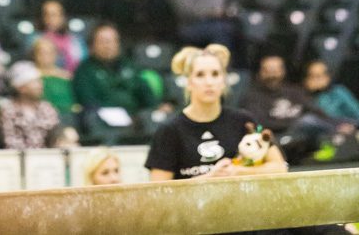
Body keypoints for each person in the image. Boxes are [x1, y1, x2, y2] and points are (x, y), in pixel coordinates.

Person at [145, 44, 343, 235]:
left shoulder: (243, 120)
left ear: (224, 80)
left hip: (252, 214)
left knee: (327, 227)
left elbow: (279, 167)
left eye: (215, 74)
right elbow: (160, 194)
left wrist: (236, 171)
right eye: (200, 75)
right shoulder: (170, 131)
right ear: (188, 81)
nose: (209, 81)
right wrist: (210, 179)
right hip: (203, 222)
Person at [240, 54, 343, 165]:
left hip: (306, 134)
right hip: (276, 137)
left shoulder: (294, 91)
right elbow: (260, 124)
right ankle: (336, 134)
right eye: (268, 70)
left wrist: (337, 123)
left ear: (283, 71)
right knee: (307, 121)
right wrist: (293, 123)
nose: (272, 74)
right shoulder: (253, 96)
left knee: (338, 121)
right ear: (260, 72)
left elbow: (316, 111)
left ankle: (340, 132)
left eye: (276, 70)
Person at [73, 23, 159, 120]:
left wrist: (155, 109)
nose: (108, 46)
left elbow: (146, 94)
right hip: (104, 122)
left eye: (112, 41)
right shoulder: (84, 71)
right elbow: (88, 102)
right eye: (103, 42)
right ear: (92, 46)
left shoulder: (130, 65)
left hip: (136, 119)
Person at [0, 61, 60, 150]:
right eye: (34, 82)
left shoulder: (47, 108)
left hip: (49, 158)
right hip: (20, 160)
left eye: (40, 81)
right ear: (21, 88)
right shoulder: (8, 111)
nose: (40, 85)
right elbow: (11, 144)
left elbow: (57, 137)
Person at [33, 0, 86, 74]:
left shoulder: (76, 40)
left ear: (63, 16)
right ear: (41, 17)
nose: (50, 18)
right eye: (46, 14)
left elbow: (84, 63)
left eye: (55, 14)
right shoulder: (35, 39)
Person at [31, 37, 76, 115]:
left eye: (50, 52)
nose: (46, 56)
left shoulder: (66, 77)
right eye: (42, 52)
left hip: (67, 116)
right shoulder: (29, 77)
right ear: (34, 54)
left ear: (56, 54)